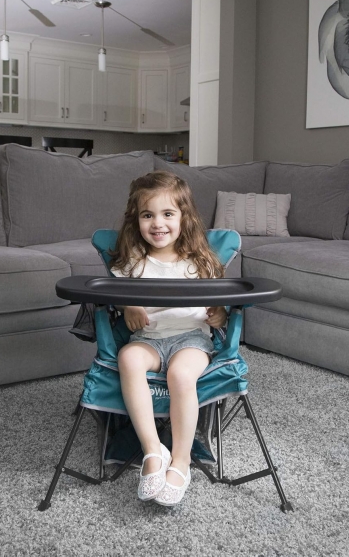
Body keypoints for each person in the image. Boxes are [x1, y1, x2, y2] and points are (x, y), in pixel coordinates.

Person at [109, 170, 227, 506]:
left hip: (191, 339)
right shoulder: (133, 262)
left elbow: (219, 302)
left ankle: (181, 460)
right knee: (128, 358)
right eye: (148, 215)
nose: (157, 223)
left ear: (184, 217)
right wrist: (129, 304)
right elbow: (115, 294)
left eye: (168, 214)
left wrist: (220, 313)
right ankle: (153, 450)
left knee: (181, 374)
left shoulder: (199, 262)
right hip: (149, 338)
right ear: (136, 219)